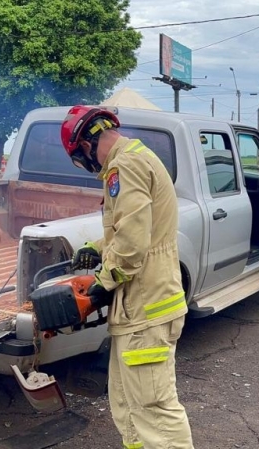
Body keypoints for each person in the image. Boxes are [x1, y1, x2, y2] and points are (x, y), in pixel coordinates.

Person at [60, 105, 194, 449]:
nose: (87, 168)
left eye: (79, 160)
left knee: (154, 413)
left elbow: (133, 246)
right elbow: (134, 228)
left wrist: (102, 283)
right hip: (138, 312)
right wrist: (97, 246)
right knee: (128, 407)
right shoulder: (137, 157)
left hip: (146, 309)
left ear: (86, 146)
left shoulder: (125, 166)